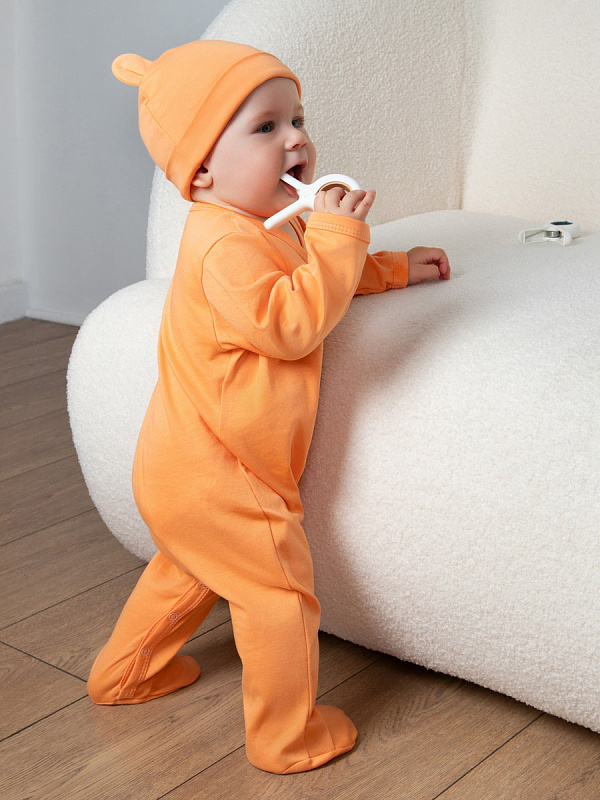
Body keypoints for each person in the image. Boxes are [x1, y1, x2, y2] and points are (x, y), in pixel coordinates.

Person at [87, 39, 450, 774]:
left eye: (298, 121)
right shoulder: (224, 249)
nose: (297, 141)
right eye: (266, 128)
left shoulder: (260, 224)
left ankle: (125, 675)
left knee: (185, 574)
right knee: (278, 599)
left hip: (182, 470)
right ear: (202, 169)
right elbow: (291, 322)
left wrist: (386, 268)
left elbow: (310, 271)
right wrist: (342, 237)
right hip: (228, 476)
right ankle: (288, 736)